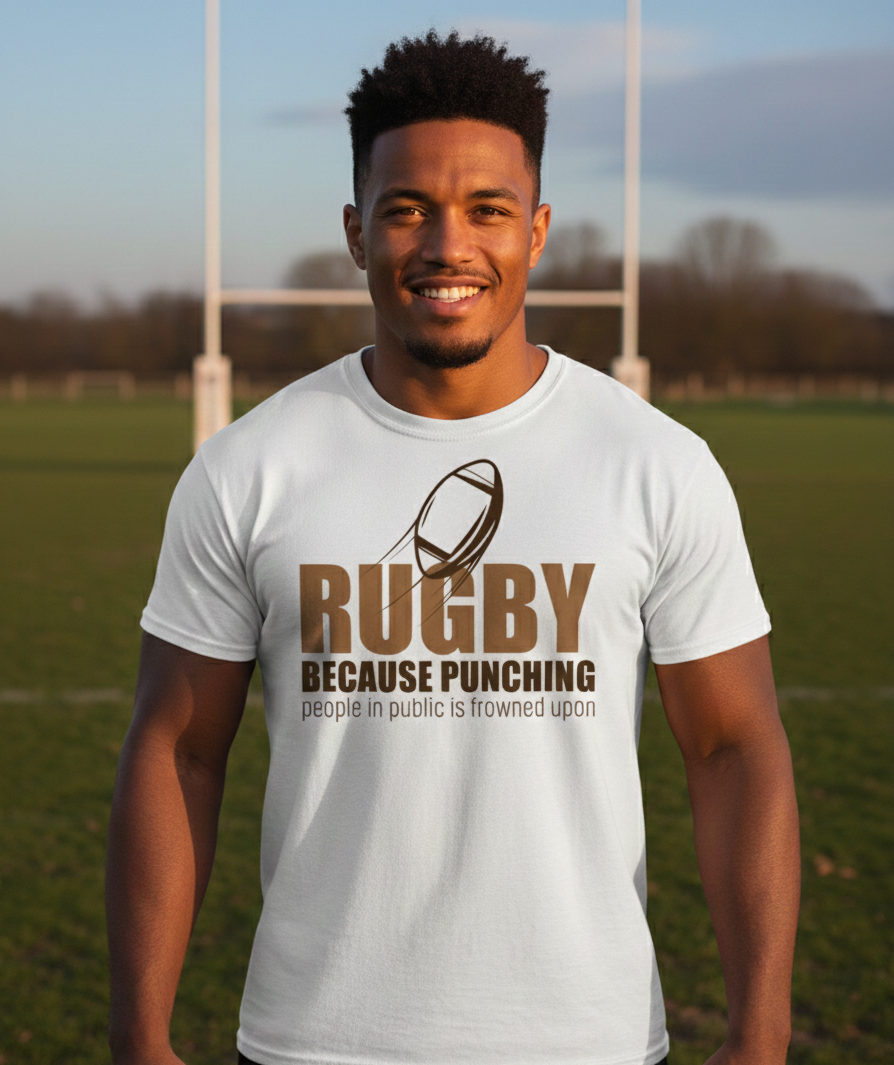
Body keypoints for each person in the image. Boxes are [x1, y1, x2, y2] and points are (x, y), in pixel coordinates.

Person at [106, 30, 800, 1065]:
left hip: (589, 1040)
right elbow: (179, 749)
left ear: (538, 230)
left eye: (487, 209)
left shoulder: (657, 464)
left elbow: (735, 749)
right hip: (314, 1041)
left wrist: (761, 1034)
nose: (447, 244)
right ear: (356, 232)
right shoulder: (249, 467)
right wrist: (139, 1036)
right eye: (406, 209)